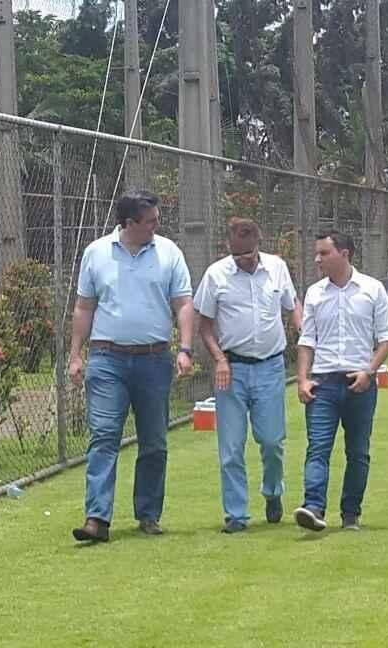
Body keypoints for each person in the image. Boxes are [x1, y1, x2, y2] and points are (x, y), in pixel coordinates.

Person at [68, 189, 196, 543]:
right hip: (107, 359)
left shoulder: (169, 252)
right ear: (129, 223)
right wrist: (76, 355)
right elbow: (84, 307)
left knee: (154, 441)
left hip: (154, 360)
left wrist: (185, 349)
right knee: (104, 436)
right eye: (150, 220)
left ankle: (148, 514)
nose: (157, 225)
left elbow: (184, 303)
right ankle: (97, 519)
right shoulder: (97, 253)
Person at [193, 218, 302, 534]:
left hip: (270, 366)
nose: (243, 260)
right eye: (237, 255)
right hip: (232, 370)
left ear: (258, 245)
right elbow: (205, 326)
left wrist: (303, 327)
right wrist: (219, 360)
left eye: (248, 254)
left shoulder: (277, 268)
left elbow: (292, 304)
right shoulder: (216, 275)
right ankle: (236, 515)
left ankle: (273, 491)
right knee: (231, 447)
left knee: (271, 441)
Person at [293, 230, 388, 532]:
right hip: (323, 383)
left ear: (345, 254)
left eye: (324, 253)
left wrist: (369, 372)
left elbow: (387, 337)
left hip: (359, 383)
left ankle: (351, 513)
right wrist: (303, 380)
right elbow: (307, 340)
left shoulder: (372, 290)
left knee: (358, 451)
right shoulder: (315, 293)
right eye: (317, 253)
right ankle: (313, 507)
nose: (317, 259)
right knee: (318, 447)